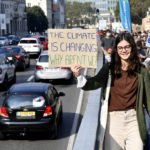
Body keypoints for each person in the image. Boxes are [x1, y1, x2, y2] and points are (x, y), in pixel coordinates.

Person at [71, 32, 150, 150]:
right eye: (120, 48)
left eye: (127, 47)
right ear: (116, 50)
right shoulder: (108, 69)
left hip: (134, 120)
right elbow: (92, 84)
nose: (124, 50)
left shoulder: (142, 71)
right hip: (113, 121)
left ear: (132, 48)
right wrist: (78, 75)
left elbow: (148, 99)